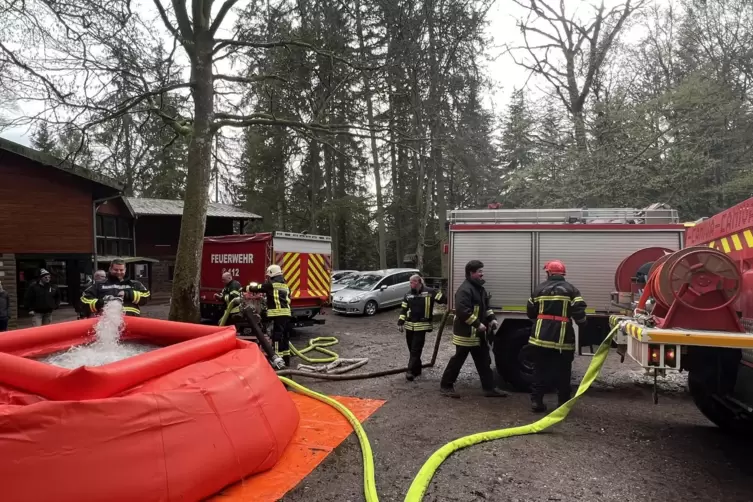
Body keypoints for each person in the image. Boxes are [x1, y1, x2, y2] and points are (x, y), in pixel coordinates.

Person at [526, 259, 587, 413]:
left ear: (548, 273)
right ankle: (562, 404)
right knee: (563, 371)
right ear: (563, 273)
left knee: (539, 370)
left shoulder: (538, 289)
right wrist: (583, 324)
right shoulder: (571, 290)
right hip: (562, 338)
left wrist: (542, 320)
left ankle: (536, 402)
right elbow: (579, 312)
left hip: (540, 337)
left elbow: (530, 312)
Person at [439, 260, 507, 398]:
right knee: (458, 360)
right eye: (480, 271)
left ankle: (489, 389)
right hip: (466, 334)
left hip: (477, 334)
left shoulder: (479, 289)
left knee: (484, 361)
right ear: (471, 273)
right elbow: (463, 311)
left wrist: (492, 319)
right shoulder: (465, 289)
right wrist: (477, 324)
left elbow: (486, 308)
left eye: (482, 271)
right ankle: (446, 386)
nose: (482, 274)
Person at [397, 274, 447, 381]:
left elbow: (443, 299)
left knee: (415, 349)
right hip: (409, 326)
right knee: (411, 349)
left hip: (422, 326)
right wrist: (400, 322)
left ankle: (410, 371)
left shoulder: (430, 292)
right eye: (410, 282)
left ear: (419, 281)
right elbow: (403, 310)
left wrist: (452, 300)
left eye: (413, 282)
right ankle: (417, 369)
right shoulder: (408, 295)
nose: (411, 284)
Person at [245, 265, 293, 366]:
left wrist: (245, 288)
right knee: (285, 337)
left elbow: (257, 288)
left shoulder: (271, 285)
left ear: (271, 274)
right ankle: (286, 360)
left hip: (278, 315)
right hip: (287, 314)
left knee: (277, 337)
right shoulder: (286, 286)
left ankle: (277, 360)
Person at [80, 259, 150, 317]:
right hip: (107, 324)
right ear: (110, 269)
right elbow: (84, 300)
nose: (119, 272)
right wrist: (101, 302)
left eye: (121, 270)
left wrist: (128, 294)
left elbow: (146, 296)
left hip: (132, 323)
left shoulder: (135, 284)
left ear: (125, 270)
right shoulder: (99, 285)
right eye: (116, 270)